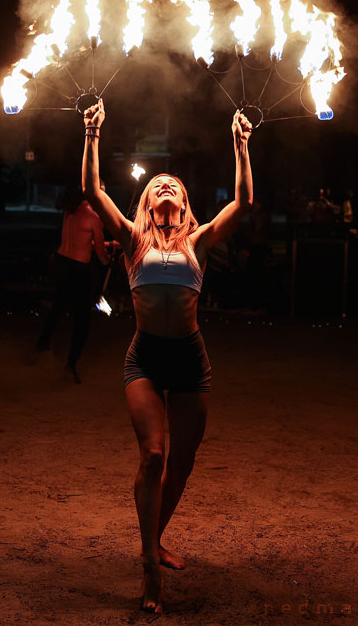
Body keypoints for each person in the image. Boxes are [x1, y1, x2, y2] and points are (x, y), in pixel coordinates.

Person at [81, 98, 253, 613]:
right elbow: (93, 191)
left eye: (172, 183)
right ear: (147, 201)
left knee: (183, 460)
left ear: (183, 200)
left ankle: (156, 535)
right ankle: (149, 568)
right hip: (146, 359)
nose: (164, 185)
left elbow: (243, 202)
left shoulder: (197, 240)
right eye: (156, 183)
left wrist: (241, 144)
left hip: (191, 359)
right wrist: (92, 133)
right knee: (154, 455)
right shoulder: (133, 239)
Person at [36, 186, 111, 383]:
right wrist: (107, 259)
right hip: (79, 270)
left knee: (58, 307)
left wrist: (107, 246)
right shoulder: (93, 217)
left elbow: (81, 240)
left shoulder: (69, 212)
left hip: (62, 263)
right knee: (82, 321)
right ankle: (71, 365)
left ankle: (42, 345)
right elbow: (100, 253)